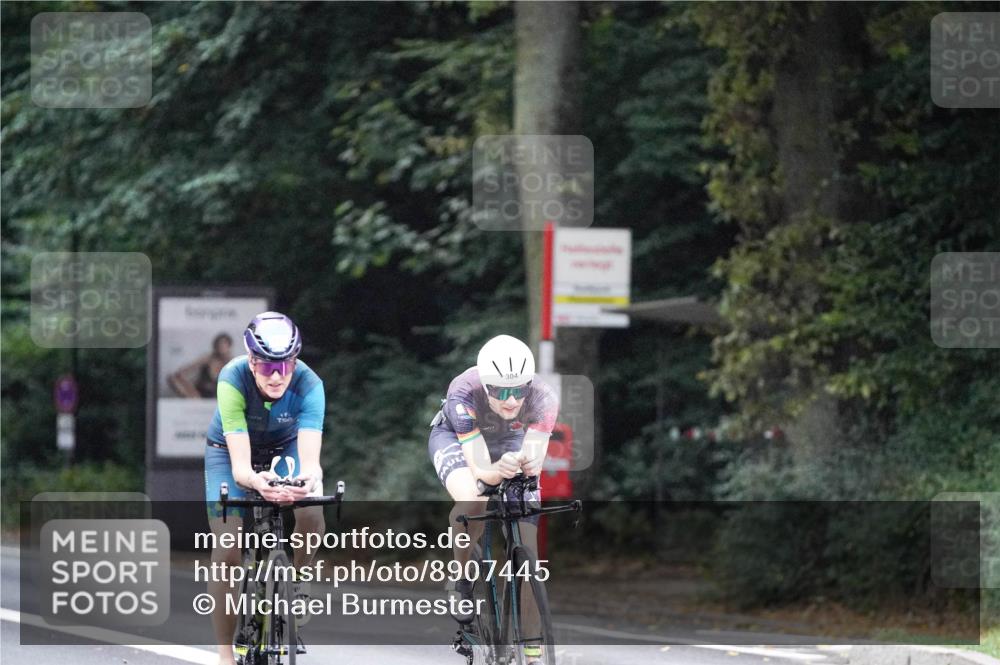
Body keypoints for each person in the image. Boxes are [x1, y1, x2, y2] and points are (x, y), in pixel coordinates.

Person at [203, 312, 326, 665]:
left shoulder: (310, 384)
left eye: (284, 367)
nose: (276, 376)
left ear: (295, 362)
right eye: (267, 366)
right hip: (228, 453)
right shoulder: (231, 378)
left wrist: (304, 483)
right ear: (251, 361)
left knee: (312, 513)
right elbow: (241, 469)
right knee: (227, 549)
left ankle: (296, 584)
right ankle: (226, 654)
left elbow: (311, 461)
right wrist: (259, 482)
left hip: (285, 448)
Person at [428, 334, 558, 665]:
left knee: (529, 546)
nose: (512, 400)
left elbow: (535, 457)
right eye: (501, 391)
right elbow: (482, 469)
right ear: (486, 386)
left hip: (509, 439)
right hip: (458, 440)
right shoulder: (463, 389)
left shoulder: (545, 397)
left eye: (519, 390)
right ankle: (461, 577)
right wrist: (496, 472)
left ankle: (531, 647)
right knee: (473, 500)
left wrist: (525, 466)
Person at [169, 332, 234, 398]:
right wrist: (189, 388)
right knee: (172, 378)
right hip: (199, 394)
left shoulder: (233, 363)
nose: (221, 347)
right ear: (215, 346)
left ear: (229, 346)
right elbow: (184, 370)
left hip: (217, 397)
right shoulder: (208, 358)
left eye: (224, 345)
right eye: (219, 345)